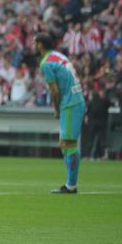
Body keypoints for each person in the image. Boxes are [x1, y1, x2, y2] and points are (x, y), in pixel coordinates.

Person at [34, 33, 85, 194]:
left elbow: (55, 91)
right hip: (74, 100)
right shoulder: (57, 55)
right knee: (65, 144)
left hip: (70, 103)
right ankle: (69, 183)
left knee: (69, 144)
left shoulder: (45, 63)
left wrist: (56, 109)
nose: (33, 46)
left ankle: (71, 186)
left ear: (41, 45)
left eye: (35, 43)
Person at [84, 88, 111, 160]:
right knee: (103, 140)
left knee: (90, 140)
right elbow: (109, 104)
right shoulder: (103, 102)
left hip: (92, 124)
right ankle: (105, 155)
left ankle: (88, 156)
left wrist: (86, 118)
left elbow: (87, 113)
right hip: (102, 123)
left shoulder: (90, 103)